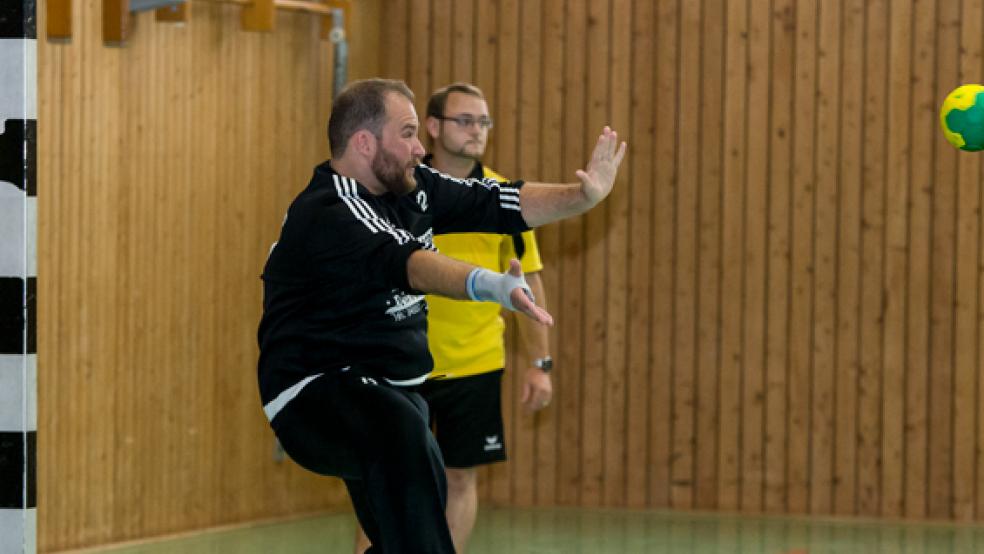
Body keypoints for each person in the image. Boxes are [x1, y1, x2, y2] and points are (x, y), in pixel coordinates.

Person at [257, 78, 624, 553]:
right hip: (314, 394)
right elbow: (409, 263)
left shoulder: (415, 187)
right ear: (364, 143)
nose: (417, 149)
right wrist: (491, 285)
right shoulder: (330, 209)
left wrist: (581, 198)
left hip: (393, 391)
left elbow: (498, 201)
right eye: (408, 133)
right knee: (404, 437)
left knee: (405, 492)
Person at [353, 82, 552, 554]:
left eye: (484, 121)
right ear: (434, 127)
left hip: (476, 363)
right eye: (466, 120)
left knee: (461, 479)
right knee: (388, 477)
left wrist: (540, 365)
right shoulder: (395, 187)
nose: (477, 130)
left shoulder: (504, 197)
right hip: (401, 362)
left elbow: (529, 280)